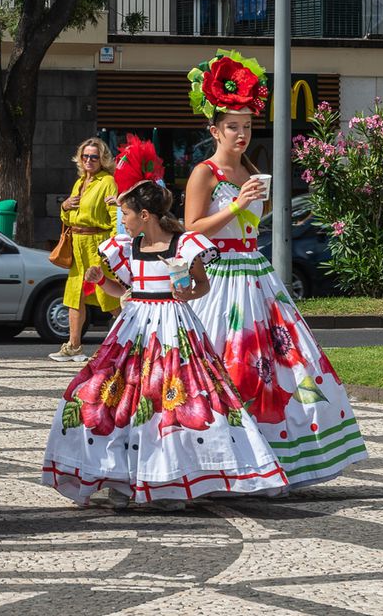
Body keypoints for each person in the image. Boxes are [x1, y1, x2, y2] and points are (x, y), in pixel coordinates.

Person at [42, 168, 286, 510]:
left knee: (172, 401)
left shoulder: (184, 245)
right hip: (134, 328)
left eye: (125, 214)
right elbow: (123, 290)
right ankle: (120, 477)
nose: (121, 220)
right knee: (115, 397)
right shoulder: (127, 248)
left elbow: (203, 285)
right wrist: (100, 281)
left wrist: (185, 292)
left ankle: (170, 479)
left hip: (174, 326)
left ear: (145, 215)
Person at [183, 50, 367, 488]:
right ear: (214, 129)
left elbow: (250, 221)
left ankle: (275, 457)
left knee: (283, 363)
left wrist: (252, 203)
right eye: (233, 126)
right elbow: (191, 228)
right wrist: (241, 205)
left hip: (257, 275)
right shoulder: (203, 173)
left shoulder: (250, 167)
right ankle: (220, 462)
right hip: (220, 276)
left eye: (247, 126)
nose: (242, 134)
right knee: (225, 364)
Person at [49, 137, 121, 362]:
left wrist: (110, 249)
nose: (89, 160)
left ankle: (134, 338)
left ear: (102, 160)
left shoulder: (107, 181)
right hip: (77, 243)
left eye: (94, 157)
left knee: (107, 295)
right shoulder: (80, 182)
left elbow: (115, 219)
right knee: (73, 295)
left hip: (95, 244)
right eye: (85, 156)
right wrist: (64, 206)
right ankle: (73, 346)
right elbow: (69, 217)